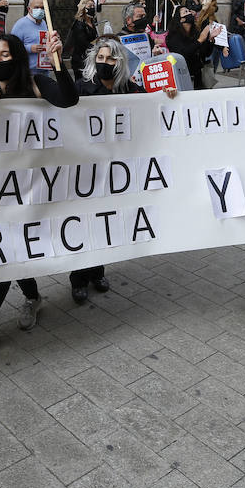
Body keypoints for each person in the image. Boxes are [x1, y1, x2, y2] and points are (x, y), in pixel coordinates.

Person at [0, 32, 79, 360]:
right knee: (12, 249)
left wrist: (59, 63)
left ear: (17, 56)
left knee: (6, 253)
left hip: (30, 185)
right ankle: (32, 298)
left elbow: (68, 99)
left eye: (6, 55)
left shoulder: (34, 83)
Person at [70, 37, 176, 301]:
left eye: (110, 58)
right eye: (101, 58)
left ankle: (97, 271)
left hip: (117, 170)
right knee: (86, 224)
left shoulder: (128, 88)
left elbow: (151, 108)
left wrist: (167, 96)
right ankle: (78, 278)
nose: (104, 62)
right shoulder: (83, 88)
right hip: (87, 168)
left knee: (107, 222)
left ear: (120, 62)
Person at [165, 8, 219, 89]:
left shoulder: (195, 33)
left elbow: (205, 53)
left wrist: (210, 39)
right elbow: (182, 54)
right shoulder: (173, 35)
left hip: (197, 75)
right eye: (186, 12)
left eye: (189, 11)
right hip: (183, 76)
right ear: (181, 20)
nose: (190, 13)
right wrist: (200, 40)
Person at [11, 0, 55, 77]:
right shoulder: (21, 24)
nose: (40, 10)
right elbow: (12, 46)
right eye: (36, 7)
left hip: (44, 70)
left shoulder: (44, 23)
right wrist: (29, 48)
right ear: (29, 9)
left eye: (42, 8)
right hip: (28, 72)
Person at [65, 0, 98, 75]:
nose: (92, 8)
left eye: (93, 6)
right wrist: (96, 47)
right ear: (83, 8)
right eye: (90, 6)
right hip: (80, 60)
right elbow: (82, 43)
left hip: (89, 57)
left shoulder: (92, 22)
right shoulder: (79, 24)